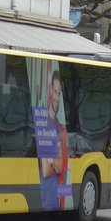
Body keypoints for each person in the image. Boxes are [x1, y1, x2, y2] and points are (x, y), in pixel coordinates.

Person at [37, 70, 70, 210]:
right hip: (46, 198)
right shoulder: (43, 122)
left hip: (55, 200)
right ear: (50, 92)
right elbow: (46, 170)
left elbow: (60, 166)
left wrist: (53, 161)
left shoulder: (58, 125)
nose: (57, 97)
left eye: (59, 93)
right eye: (55, 92)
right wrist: (55, 162)